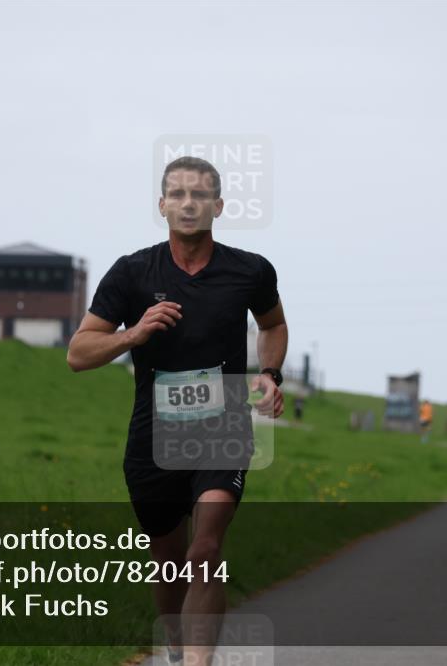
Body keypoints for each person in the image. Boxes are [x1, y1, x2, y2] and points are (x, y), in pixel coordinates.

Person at [67, 156, 288, 665]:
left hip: (223, 430)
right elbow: (78, 354)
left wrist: (269, 374)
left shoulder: (250, 270)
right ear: (162, 205)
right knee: (169, 565)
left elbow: (273, 325)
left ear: (219, 206)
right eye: (179, 194)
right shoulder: (132, 273)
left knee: (204, 551)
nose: (189, 204)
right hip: (153, 438)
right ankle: (174, 641)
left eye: (200, 195)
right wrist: (135, 334)